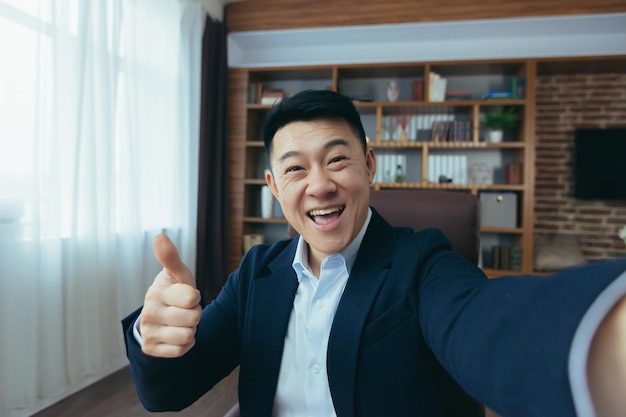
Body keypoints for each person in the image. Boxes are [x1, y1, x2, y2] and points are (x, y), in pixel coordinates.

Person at [122, 89, 626, 417]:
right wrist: (155, 332)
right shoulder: (257, 273)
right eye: (296, 170)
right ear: (275, 188)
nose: (320, 185)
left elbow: (489, 324)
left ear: (369, 166)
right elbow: (166, 393)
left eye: (338, 160)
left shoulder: (422, 262)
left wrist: (604, 339)